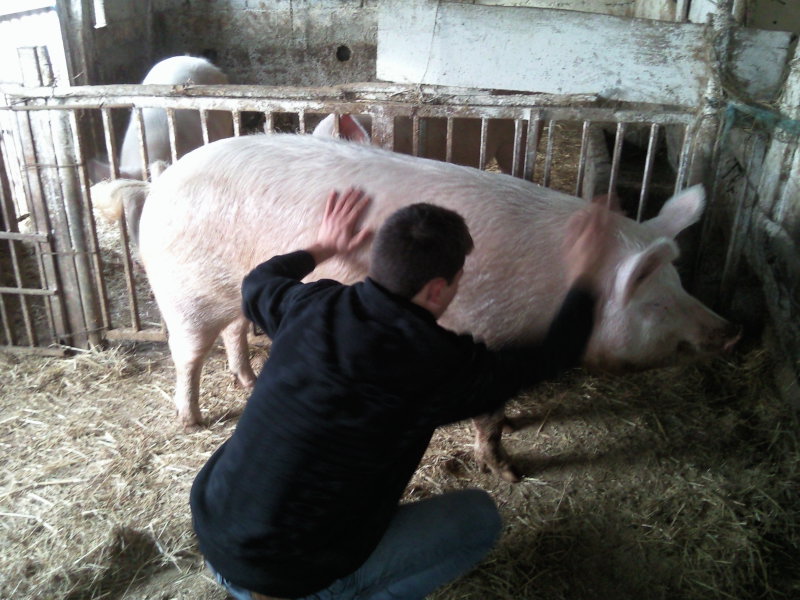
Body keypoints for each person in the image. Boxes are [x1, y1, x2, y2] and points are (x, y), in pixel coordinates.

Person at [190, 187, 612, 600]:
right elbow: (554, 354)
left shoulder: (313, 304)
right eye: (457, 281)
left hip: (212, 528)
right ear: (436, 289)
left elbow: (257, 283)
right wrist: (586, 273)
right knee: (479, 519)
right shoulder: (438, 365)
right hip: (293, 578)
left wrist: (323, 247)